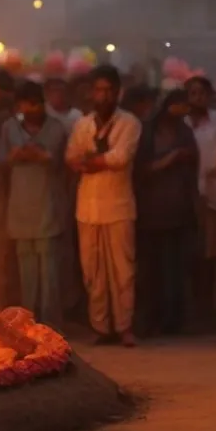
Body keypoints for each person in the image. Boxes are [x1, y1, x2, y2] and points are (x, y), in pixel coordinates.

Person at [66, 64, 141, 346]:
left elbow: (120, 158)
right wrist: (98, 161)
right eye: (100, 90)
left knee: (123, 271)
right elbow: (71, 159)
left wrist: (91, 161)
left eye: (110, 90)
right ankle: (101, 328)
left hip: (119, 207)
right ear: (91, 93)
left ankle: (124, 327)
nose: (105, 96)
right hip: (87, 208)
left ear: (118, 92)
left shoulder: (130, 123)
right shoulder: (83, 125)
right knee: (93, 272)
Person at [0, 80, 68, 325]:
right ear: (19, 105)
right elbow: (1, 161)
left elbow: (59, 160)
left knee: (49, 272)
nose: (32, 110)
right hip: (20, 206)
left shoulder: (56, 128)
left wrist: (39, 156)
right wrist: (15, 156)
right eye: (27, 105)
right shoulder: (9, 128)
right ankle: (29, 324)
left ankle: (52, 325)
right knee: (26, 271)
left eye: (36, 104)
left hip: (48, 204)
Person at [133, 89, 198, 336]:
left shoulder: (184, 132)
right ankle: (152, 319)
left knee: (175, 270)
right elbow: (140, 169)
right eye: (176, 106)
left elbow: (193, 165)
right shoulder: (147, 132)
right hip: (151, 212)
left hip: (178, 211)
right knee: (152, 271)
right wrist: (169, 160)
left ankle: (173, 321)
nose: (180, 111)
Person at [186, 76, 216, 331]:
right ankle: (199, 311)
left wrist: (205, 182)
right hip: (189, 198)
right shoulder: (182, 123)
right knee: (198, 256)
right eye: (193, 94)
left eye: (202, 94)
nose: (198, 99)